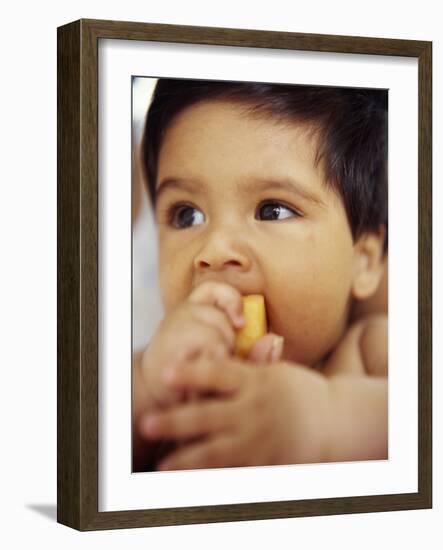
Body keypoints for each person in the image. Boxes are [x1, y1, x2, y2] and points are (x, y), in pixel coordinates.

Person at [132, 79, 388, 471]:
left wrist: (324, 423)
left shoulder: (369, 352)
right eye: (187, 215)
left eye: (272, 210)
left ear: (364, 261)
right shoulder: (165, 371)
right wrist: (150, 387)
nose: (215, 250)